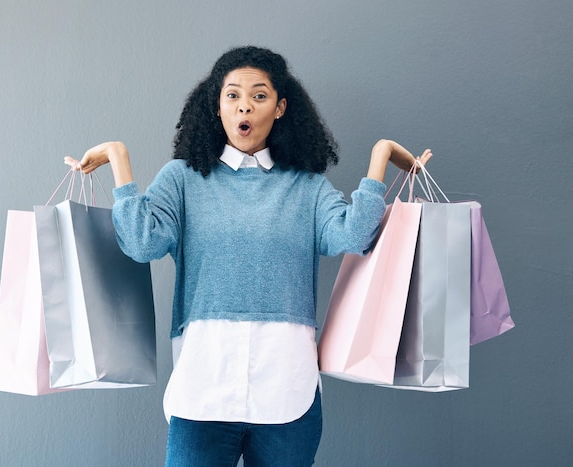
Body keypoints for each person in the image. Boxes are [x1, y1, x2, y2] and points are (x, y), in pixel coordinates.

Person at [66, 46, 432, 467]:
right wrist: (120, 161)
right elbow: (141, 244)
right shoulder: (183, 179)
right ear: (217, 107)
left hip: (286, 391)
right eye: (232, 95)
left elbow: (353, 235)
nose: (245, 105)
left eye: (259, 96)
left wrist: (380, 158)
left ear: (279, 108)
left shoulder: (306, 186)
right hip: (203, 388)